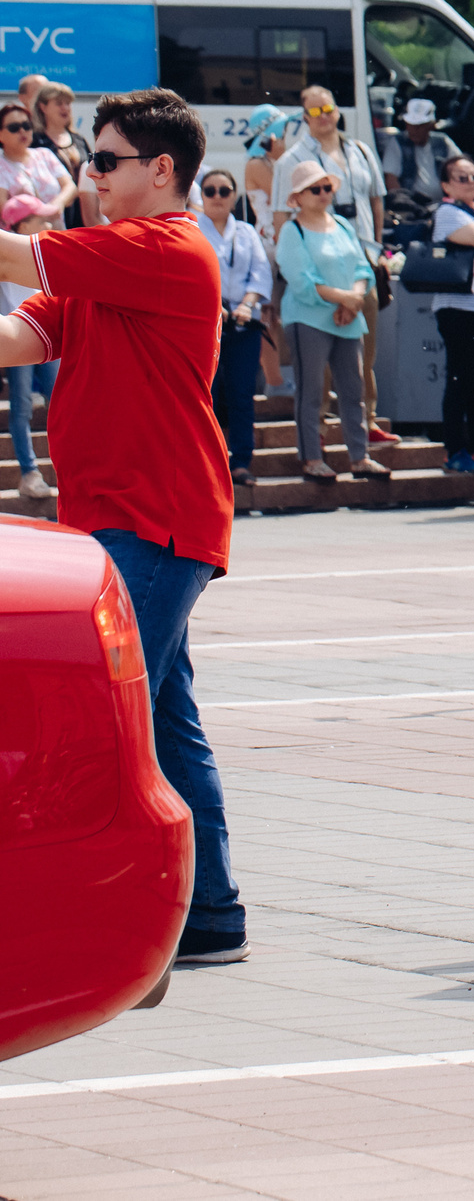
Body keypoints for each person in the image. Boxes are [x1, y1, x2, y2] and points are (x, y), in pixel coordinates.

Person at [0, 89, 247, 962]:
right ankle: (210, 913)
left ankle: (132, 906)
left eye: (103, 161)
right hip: (116, 521)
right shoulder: (106, 262)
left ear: (161, 169)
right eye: (89, 160)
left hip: (157, 518)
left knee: (111, 720)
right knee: (163, 716)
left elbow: (19, 258)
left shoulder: (170, 245)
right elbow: (19, 340)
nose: (89, 174)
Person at [273, 86, 391, 446]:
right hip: (317, 266)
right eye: (316, 110)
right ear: (304, 117)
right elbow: (281, 216)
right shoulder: (291, 160)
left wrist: (376, 250)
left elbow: (376, 202)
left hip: (359, 261)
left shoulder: (360, 150)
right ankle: (319, 425)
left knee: (363, 348)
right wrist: (295, 263)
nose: (324, 114)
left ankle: (367, 419)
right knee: (318, 356)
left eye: (329, 107)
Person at [273, 160, 386, 482]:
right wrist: (345, 299)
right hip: (309, 319)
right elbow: (300, 279)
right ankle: (311, 458)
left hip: (347, 316)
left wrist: (353, 300)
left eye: (327, 188)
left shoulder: (342, 224)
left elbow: (363, 270)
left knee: (353, 388)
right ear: (297, 197)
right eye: (315, 189)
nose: (323, 194)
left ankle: (359, 457)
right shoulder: (292, 232)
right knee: (311, 391)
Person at [1, 99, 75, 501]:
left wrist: (52, 209)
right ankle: (29, 470)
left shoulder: (56, 254)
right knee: (21, 404)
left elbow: (69, 188)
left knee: (60, 399)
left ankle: (63, 469)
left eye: (26, 125)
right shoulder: (14, 260)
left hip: (47, 322)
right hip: (20, 329)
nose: (23, 132)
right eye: (13, 127)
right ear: (17, 226)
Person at [194, 167, 270, 485]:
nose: (217, 197)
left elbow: (260, 272)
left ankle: (240, 461)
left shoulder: (247, 232)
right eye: (210, 191)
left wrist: (247, 304)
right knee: (205, 395)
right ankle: (204, 464)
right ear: (201, 194)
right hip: (204, 323)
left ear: (234, 195)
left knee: (241, 394)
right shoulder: (192, 228)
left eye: (224, 191)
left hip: (242, 322)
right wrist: (214, 305)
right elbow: (191, 272)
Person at [430, 156, 474, 475]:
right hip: (456, 309)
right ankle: (455, 450)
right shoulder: (447, 213)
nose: (471, 182)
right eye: (461, 178)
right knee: (460, 379)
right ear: (446, 186)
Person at [385, 99, 460, 213]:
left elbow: (460, 167)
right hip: (412, 208)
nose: (414, 130)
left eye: (419, 126)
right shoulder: (397, 143)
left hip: (443, 206)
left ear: (431, 125)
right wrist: (403, 203)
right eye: (410, 125)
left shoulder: (443, 141)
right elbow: (391, 178)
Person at [33, 82, 91, 227]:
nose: (65, 108)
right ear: (43, 107)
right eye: (59, 103)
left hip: (84, 212)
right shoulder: (35, 142)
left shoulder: (79, 139)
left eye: (68, 103)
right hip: (54, 214)